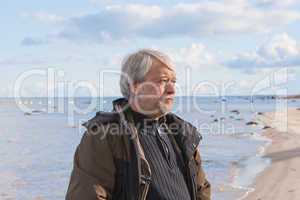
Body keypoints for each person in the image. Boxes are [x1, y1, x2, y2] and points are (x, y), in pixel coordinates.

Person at [66, 49, 211, 200]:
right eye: (162, 81)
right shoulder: (105, 136)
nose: (172, 90)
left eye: (173, 81)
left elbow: (201, 190)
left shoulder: (183, 133)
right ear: (135, 85)